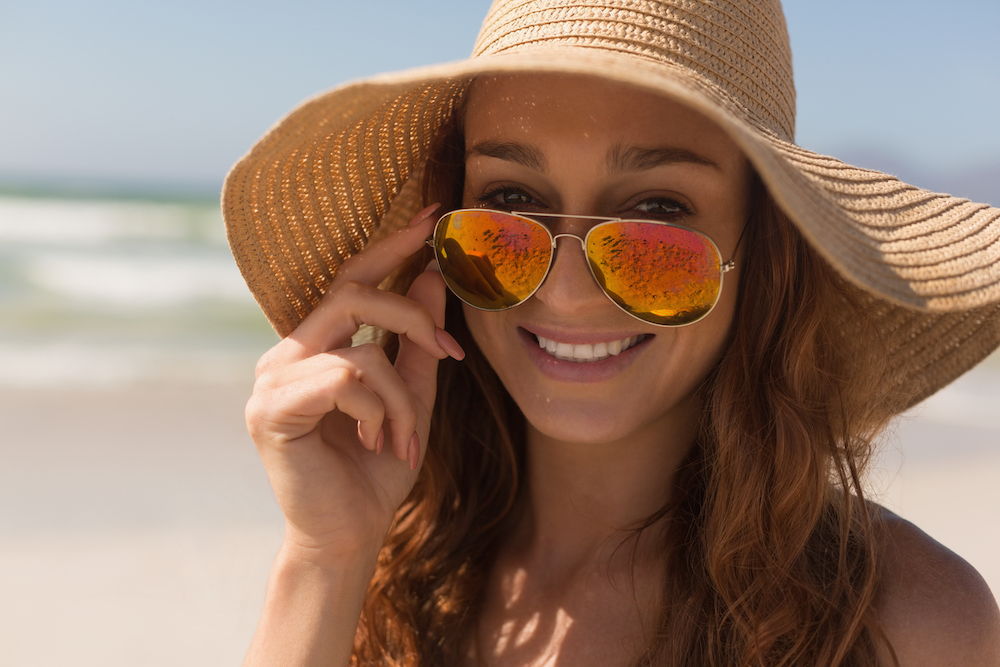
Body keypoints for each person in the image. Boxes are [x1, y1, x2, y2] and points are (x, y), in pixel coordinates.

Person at [222, 0, 1000, 664]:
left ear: (762, 253)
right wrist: (324, 559)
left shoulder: (907, 624)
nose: (564, 294)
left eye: (657, 213)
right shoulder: (388, 570)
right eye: (514, 201)